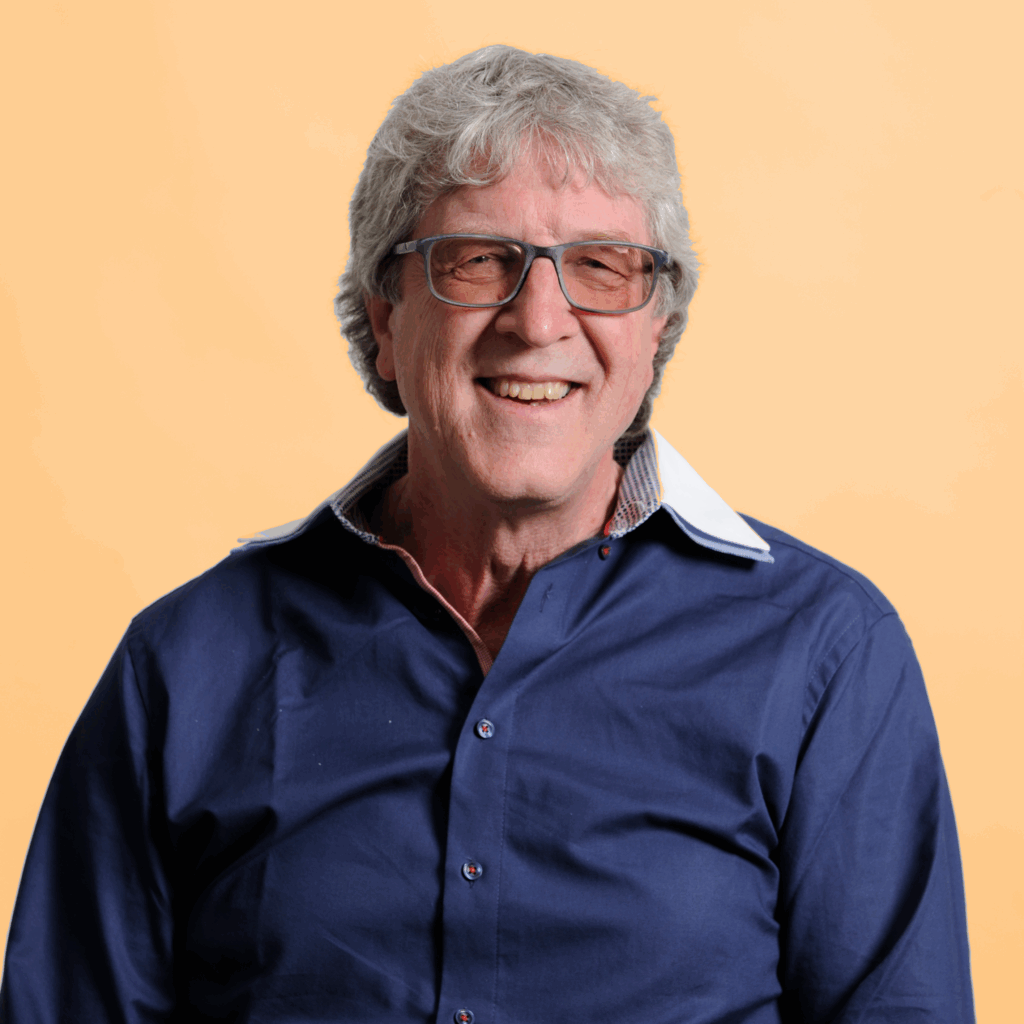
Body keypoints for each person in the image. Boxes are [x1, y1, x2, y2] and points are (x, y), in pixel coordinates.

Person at [0, 45, 973, 1023]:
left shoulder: (824, 654)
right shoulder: (185, 665)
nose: (538, 320)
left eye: (600, 266)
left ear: (657, 331)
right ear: (385, 318)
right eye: (478, 261)